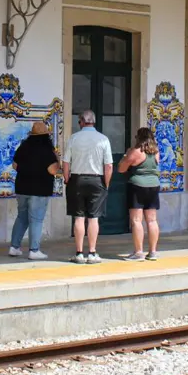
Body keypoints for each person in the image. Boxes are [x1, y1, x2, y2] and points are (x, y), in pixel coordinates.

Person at [62, 110, 113, 264]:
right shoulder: (103, 139)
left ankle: (78, 253)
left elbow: (65, 163)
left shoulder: (73, 138)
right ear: (94, 122)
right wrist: (106, 184)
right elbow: (109, 165)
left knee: (78, 217)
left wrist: (66, 179)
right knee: (93, 218)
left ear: (81, 122)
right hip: (97, 180)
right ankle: (92, 253)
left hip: (77, 179)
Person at [9, 121, 59, 261]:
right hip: (40, 189)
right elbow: (52, 170)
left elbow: (14, 165)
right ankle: (34, 250)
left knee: (22, 217)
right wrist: (58, 159)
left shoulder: (24, 147)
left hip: (22, 187)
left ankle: (14, 247)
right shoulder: (47, 150)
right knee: (36, 219)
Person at [118, 127, 161, 261]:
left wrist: (125, 156)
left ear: (139, 138)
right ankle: (153, 251)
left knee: (136, 220)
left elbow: (121, 169)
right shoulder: (156, 152)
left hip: (137, 186)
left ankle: (138, 252)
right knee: (152, 220)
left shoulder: (135, 152)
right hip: (154, 186)